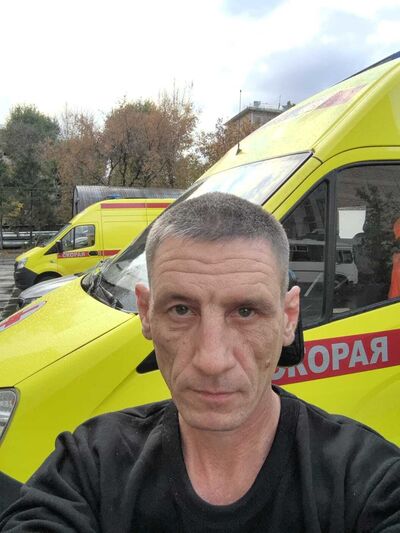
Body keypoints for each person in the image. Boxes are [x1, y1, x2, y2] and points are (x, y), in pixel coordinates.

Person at [1, 192, 399, 532]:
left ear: (288, 318)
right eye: (181, 310)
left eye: (246, 312)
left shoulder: (371, 480)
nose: (212, 360)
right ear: (146, 313)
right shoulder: (89, 466)